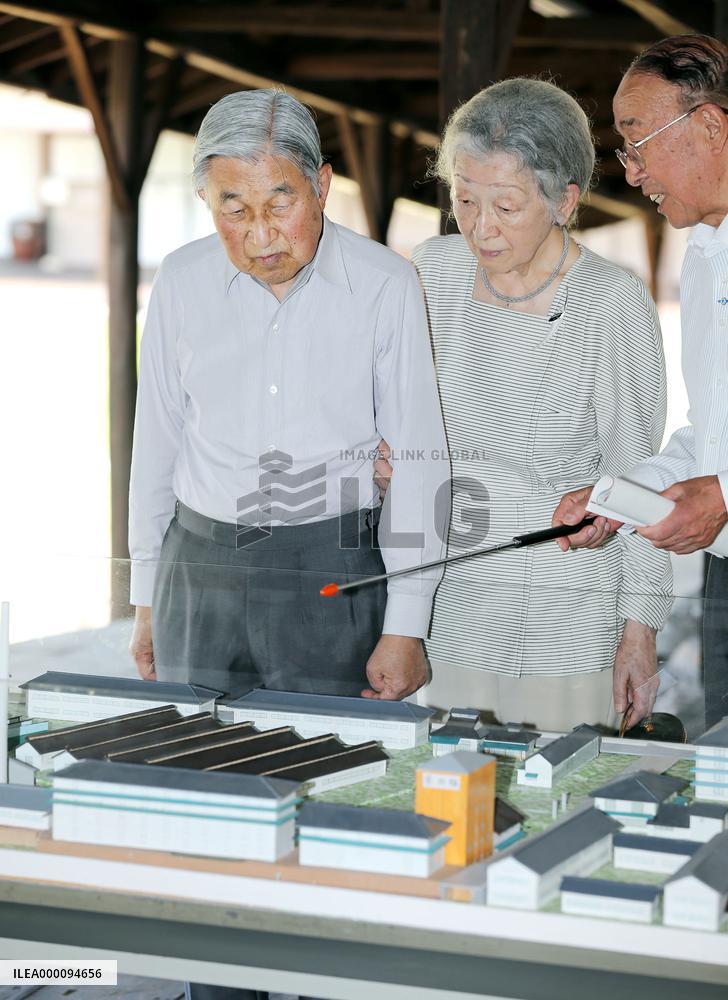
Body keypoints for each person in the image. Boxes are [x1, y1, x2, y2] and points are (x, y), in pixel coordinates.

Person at [128, 88, 448, 1000]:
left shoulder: (385, 283)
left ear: (325, 187)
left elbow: (422, 456)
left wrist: (406, 622)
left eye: (281, 202)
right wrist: (147, 597)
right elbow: (156, 442)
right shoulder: (183, 281)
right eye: (233, 205)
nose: (259, 230)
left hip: (331, 567)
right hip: (200, 566)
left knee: (331, 802)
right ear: (206, 205)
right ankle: (215, 986)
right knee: (205, 808)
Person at [379, 77, 672, 732]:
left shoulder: (610, 302)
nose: (480, 227)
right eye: (465, 200)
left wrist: (641, 631)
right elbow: (389, 411)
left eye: (506, 207)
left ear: (564, 200)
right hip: (448, 611)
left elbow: (639, 478)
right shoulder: (430, 271)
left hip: (567, 624)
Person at [553, 35, 728, 730]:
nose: (631, 174)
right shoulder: (706, 255)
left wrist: (722, 494)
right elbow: (710, 436)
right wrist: (621, 498)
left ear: (712, 126)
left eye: (638, 143)